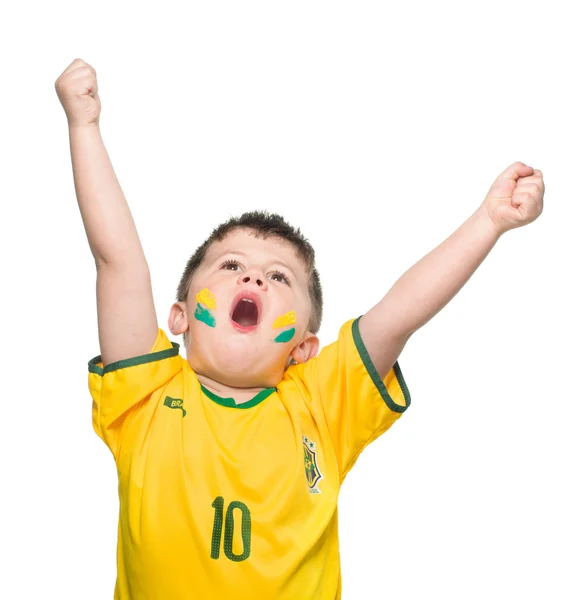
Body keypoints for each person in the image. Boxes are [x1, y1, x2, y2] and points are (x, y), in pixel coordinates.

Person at [55, 58, 545, 600]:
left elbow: (400, 311)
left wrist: (489, 221)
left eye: (278, 276)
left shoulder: (321, 403)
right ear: (180, 317)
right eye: (229, 266)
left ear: (305, 347)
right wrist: (85, 126)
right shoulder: (143, 397)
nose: (253, 277)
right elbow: (117, 260)